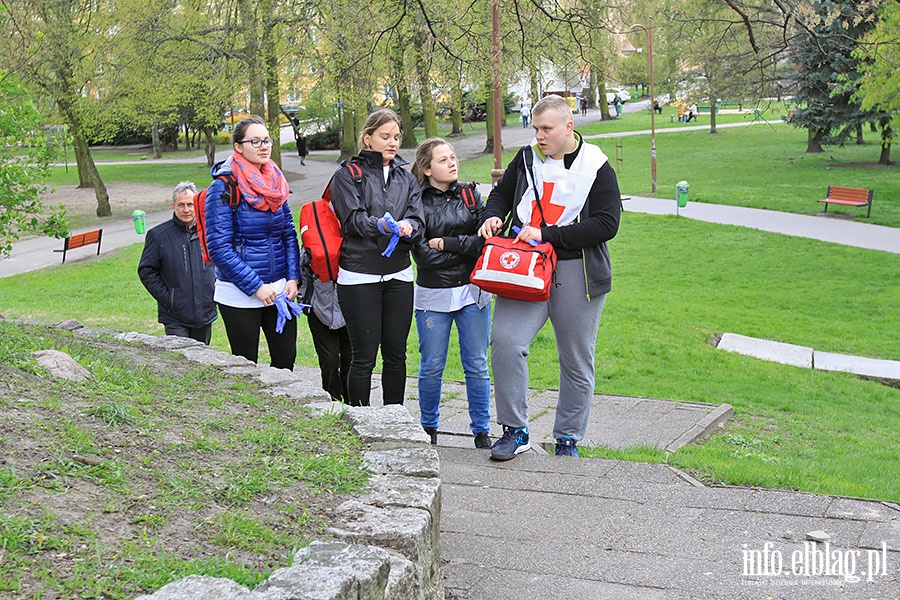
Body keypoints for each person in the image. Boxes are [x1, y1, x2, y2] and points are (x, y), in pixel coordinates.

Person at [477, 95, 621, 460]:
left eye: (547, 129)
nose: (539, 136)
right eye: (535, 128)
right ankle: (515, 430)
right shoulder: (526, 158)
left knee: (575, 358)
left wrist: (550, 234)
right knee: (506, 342)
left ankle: (567, 439)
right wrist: (492, 216)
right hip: (525, 266)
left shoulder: (596, 165)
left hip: (577, 269)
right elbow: (501, 195)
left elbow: (606, 224)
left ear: (568, 127)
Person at [330, 108, 424, 407]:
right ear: (367, 138)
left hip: (399, 274)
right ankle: (361, 421)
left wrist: (411, 226)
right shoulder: (347, 175)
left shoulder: (406, 178)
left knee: (396, 354)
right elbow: (352, 220)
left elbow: (418, 218)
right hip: (360, 275)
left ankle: (394, 420)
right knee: (364, 356)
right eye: (385, 137)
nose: (392, 142)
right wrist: (380, 225)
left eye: (396, 137)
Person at [411, 138, 492, 449]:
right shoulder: (415, 202)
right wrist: (466, 247)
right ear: (427, 169)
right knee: (432, 364)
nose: (452, 163)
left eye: (453, 157)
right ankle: (428, 427)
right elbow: (423, 256)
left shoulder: (471, 194)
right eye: (443, 160)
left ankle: (481, 430)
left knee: (477, 363)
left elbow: (484, 243)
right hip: (434, 295)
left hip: (473, 292)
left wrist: (446, 243)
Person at [204, 115, 301, 370]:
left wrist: (293, 277)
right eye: (255, 141)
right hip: (239, 294)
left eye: (266, 140)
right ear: (238, 147)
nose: (263, 146)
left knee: (286, 359)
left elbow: (288, 233)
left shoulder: (276, 183)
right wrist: (256, 287)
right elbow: (219, 248)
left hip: (279, 289)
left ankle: (286, 410)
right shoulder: (223, 187)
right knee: (246, 365)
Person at [138, 181, 217, 344]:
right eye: (181, 205)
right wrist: (169, 299)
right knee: (182, 361)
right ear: (173, 206)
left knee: (202, 359)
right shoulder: (158, 236)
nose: (186, 210)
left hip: (205, 312)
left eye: (190, 204)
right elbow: (146, 271)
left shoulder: (211, 232)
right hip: (175, 315)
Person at [298, 250, 351, 402]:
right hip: (319, 307)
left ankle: (353, 404)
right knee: (329, 360)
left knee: (351, 361)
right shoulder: (314, 238)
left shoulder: (354, 234)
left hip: (351, 309)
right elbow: (302, 268)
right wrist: (305, 300)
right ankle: (332, 402)